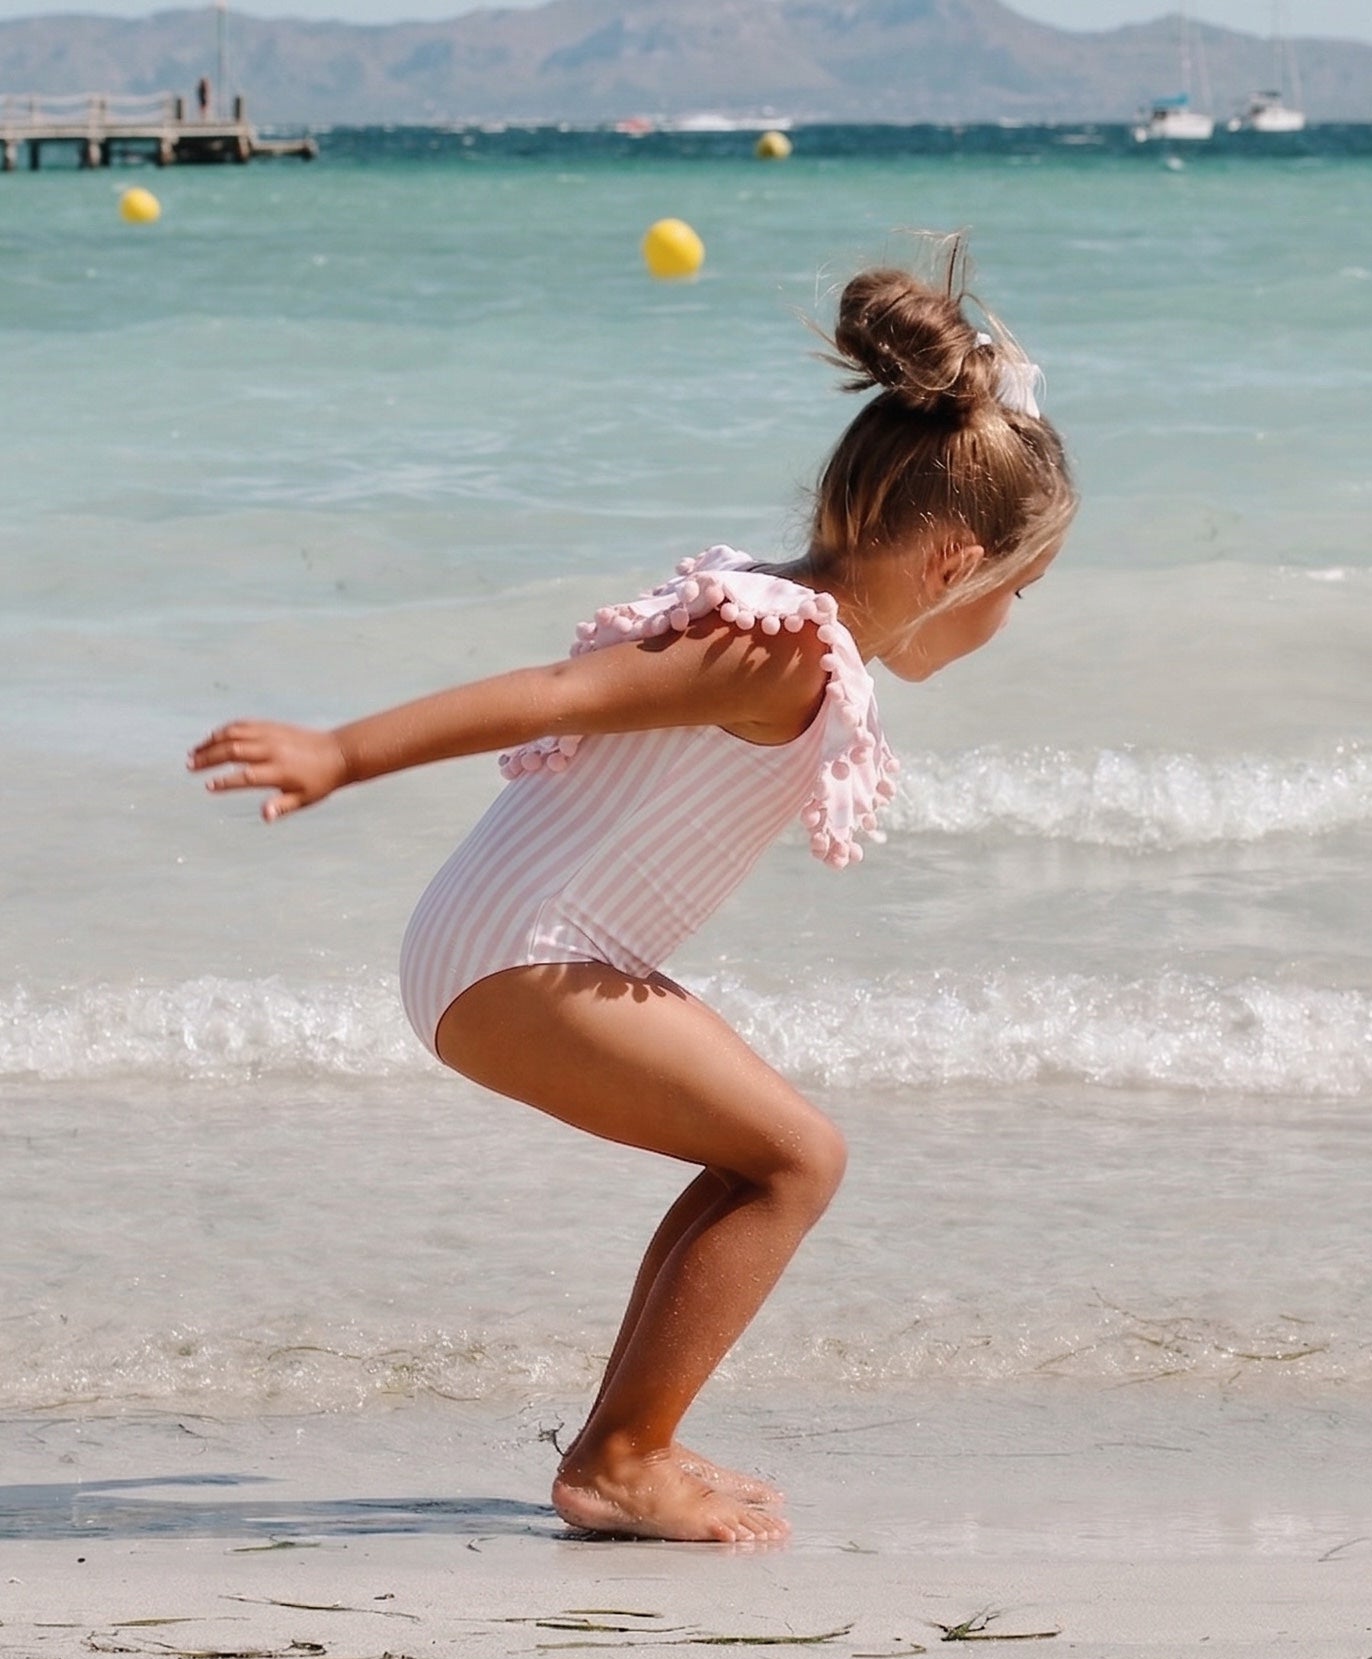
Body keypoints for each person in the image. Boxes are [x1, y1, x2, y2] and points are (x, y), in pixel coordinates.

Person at [188, 242, 1076, 1544]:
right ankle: (617, 1458)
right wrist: (341, 753)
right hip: (520, 958)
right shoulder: (778, 649)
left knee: (757, 1159)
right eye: (1018, 593)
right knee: (799, 1160)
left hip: (512, 946)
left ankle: (628, 1441)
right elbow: (554, 695)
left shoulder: (782, 624)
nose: (1009, 621)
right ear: (953, 562)